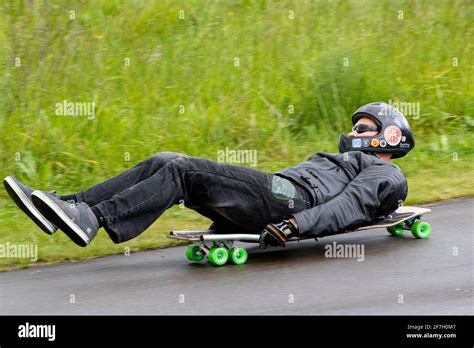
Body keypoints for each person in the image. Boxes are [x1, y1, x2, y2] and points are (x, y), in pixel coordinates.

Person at [3, 101, 414, 249]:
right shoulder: (355, 160)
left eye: (364, 128)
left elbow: (351, 206)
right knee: (166, 158)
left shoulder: (385, 172)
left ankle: (92, 219)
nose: (354, 132)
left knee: (183, 170)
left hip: (292, 199)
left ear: (388, 137)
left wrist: (296, 226)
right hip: (277, 191)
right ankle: (72, 205)